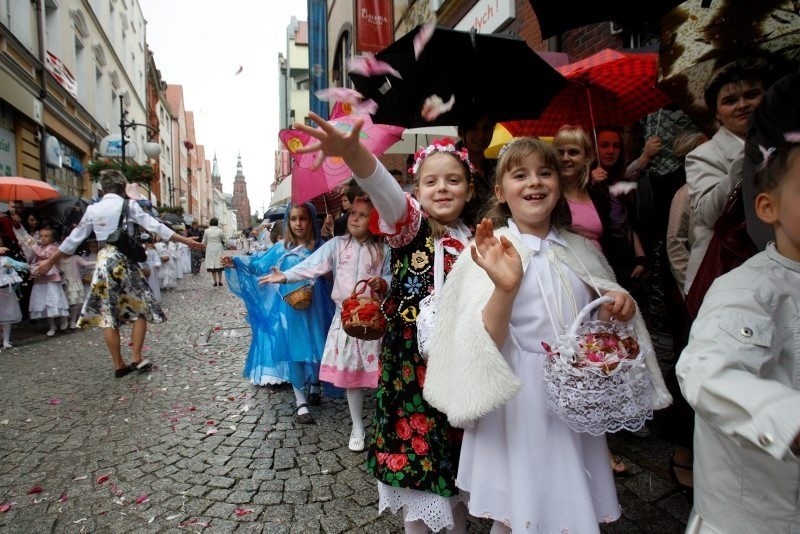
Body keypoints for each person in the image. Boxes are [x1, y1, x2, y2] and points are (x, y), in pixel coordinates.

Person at [423, 138, 671, 533]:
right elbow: (482, 339)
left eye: (545, 172)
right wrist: (504, 288)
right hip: (520, 398)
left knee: (564, 497)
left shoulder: (580, 248)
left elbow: (596, 312)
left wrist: (617, 305)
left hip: (572, 395)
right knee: (518, 502)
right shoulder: (487, 251)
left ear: (559, 183)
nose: (534, 182)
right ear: (502, 192)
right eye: (520, 175)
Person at [293, 111, 474, 533]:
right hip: (414, 375)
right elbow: (385, 191)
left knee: (459, 472)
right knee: (417, 475)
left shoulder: (477, 236)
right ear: (416, 190)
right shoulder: (411, 229)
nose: (442, 188)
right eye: (430, 181)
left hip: (463, 368)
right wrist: (357, 155)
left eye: (454, 180)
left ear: (470, 188)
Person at [676, 137, 800, 534]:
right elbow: (706, 371)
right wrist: (787, 419)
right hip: (759, 515)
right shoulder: (744, 291)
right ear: (768, 207)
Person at [31, 170, 205, 378]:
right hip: (124, 258)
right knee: (140, 309)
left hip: (104, 259)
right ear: (123, 189)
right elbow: (155, 226)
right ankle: (136, 357)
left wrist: (50, 261)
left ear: (102, 189)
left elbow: (73, 240)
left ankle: (118, 364)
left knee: (108, 315)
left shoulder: (93, 210)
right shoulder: (128, 205)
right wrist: (187, 241)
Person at [260, 195, 390, 451]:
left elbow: (391, 275)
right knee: (351, 377)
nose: (355, 218)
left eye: (363, 215)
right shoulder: (337, 245)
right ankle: (357, 427)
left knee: (381, 376)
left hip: (375, 320)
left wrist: (383, 283)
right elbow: (312, 265)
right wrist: (286, 276)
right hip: (346, 321)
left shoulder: (383, 249)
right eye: (353, 213)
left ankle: (385, 424)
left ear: (374, 219)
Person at [223, 202, 334, 422]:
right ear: (288, 222)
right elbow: (258, 264)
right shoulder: (281, 248)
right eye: (293, 219)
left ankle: (314, 384)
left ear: (310, 220)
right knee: (295, 348)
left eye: (303, 218)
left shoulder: (321, 247)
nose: (298, 223)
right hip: (289, 309)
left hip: (317, 305)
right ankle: (300, 400)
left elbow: (332, 276)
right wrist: (235, 262)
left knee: (317, 345)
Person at [683, 57, 774, 294]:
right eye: (730, 100)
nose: (742, 104)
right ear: (716, 113)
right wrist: (746, 156)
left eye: (752, 94)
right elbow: (709, 214)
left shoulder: (787, 145)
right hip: (728, 273)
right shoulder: (702, 155)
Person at [13, 226, 69, 336]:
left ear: (52, 238)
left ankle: (63, 319)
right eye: (41, 236)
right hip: (40, 279)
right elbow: (33, 257)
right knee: (44, 302)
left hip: (51, 279)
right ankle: (52, 325)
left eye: (46, 236)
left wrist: (33, 245)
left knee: (55, 300)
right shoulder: (39, 247)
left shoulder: (53, 248)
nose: (43, 238)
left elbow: (44, 255)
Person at [458, 113, 497, 227]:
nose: (481, 135)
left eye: (487, 128)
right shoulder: (451, 167)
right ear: (461, 132)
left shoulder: (497, 166)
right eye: (473, 128)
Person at [0, 239, 28, 348]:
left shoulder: (5, 260)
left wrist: (13, 266)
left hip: (6, 292)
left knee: (6, 316)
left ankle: (6, 340)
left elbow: (21, 266)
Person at [59, 247, 95, 329]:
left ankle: (73, 321)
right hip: (63, 283)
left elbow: (85, 263)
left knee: (75, 303)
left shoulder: (75, 258)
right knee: (63, 303)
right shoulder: (59, 259)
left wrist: (98, 261)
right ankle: (64, 321)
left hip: (74, 283)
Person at [202, 217, 226, 287]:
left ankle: (215, 282)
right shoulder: (220, 231)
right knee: (219, 264)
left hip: (210, 248)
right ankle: (220, 281)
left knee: (212, 265)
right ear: (217, 223)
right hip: (218, 247)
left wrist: (203, 246)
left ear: (210, 223)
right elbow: (224, 239)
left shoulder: (206, 231)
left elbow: (204, 241)